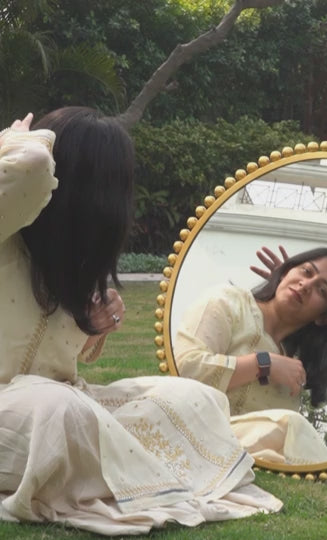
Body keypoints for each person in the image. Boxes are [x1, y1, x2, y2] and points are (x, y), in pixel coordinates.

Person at [0, 108, 281, 535]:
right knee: (59, 412)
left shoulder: (65, 261)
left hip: (64, 403)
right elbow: (32, 169)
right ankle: (133, 472)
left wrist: (90, 324)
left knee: (193, 398)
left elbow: (54, 362)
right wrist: (16, 143)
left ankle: (133, 475)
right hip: (39, 414)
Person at [174, 246, 327, 463]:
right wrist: (264, 364)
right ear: (286, 271)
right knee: (291, 425)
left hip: (254, 455)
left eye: (322, 291)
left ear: (324, 318)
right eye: (306, 271)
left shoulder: (300, 356)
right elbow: (185, 368)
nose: (306, 285)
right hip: (200, 434)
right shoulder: (229, 303)